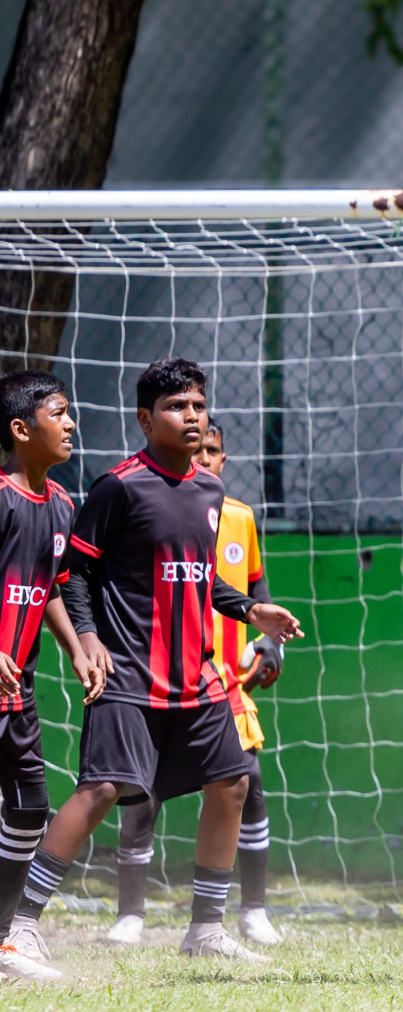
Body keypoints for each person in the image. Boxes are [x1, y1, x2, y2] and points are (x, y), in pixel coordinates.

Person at [3, 359, 303, 971]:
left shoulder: (212, 491)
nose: (191, 417)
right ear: (145, 419)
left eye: (197, 406)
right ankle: (23, 926)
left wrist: (251, 609)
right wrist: (87, 637)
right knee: (103, 790)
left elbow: (199, 577)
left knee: (234, 782)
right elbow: (76, 571)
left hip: (195, 677)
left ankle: (206, 928)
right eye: (176, 407)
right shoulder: (117, 487)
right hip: (130, 678)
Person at [108, 417, 286, 948]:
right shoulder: (146, 505)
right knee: (141, 795)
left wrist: (270, 648)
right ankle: (131, 914)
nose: (204, 458)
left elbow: (255, 588)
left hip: (226, 685)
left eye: (213, 450)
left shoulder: (239, 517)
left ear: (223, 460)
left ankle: (252, 911)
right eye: (200, 448)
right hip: (157, 677)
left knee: (247, 787)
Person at [0, 372, 104, 980]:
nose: (70, 424)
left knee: (29, 808)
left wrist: (77, 644)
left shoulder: (63, 505)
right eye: (59, 413)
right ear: (21, 429)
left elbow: (56, 584)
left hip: (18, 695)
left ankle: (7, 940)